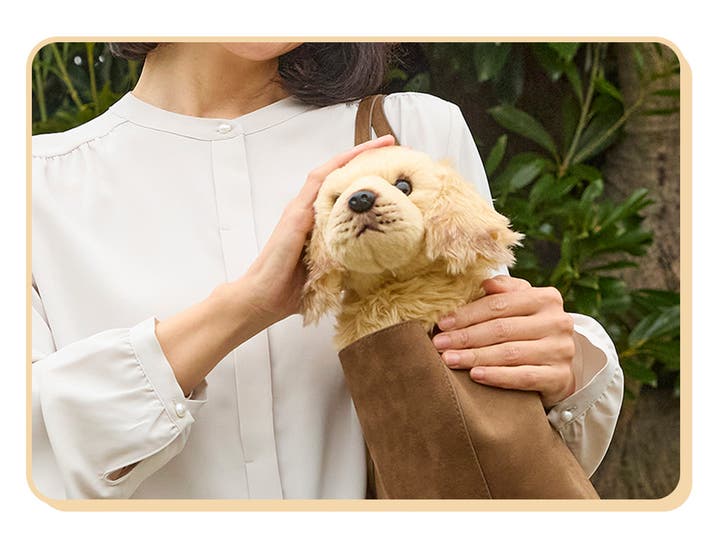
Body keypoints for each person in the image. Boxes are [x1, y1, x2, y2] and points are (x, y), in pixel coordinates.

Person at [31, 42, 624, 499]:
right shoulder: (36, 185)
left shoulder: (411, 134)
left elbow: (494, 421)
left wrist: (560, 361)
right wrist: (244, 308)